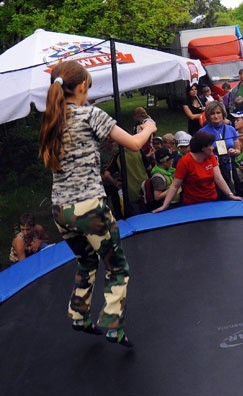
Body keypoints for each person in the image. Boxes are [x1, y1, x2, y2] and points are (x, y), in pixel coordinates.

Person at [39, 60, 157, 347]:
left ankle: (79, 314)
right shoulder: (90, 114)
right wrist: (149, 127)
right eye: (88, 87)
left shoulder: (52, 119)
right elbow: (133, 143)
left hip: (60, 211)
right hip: (89, 207)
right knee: (117, 266)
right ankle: (113, 325)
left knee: (87, 259)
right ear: (81, 87)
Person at [153, 132, 243, 212]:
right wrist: (165, 205)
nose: (213, 147)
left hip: (211, 201)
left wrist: (230, 195)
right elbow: (175, 185)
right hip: (192, 204)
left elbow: (219, 178)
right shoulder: (185, 161)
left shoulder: (211, 157)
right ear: (203, 148)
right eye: (210, 145)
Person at [199, 101, 241, 195]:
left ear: (223, 113)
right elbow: (199, 154)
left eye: (218, 113)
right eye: (212, 113)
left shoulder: (231, 129)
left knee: (232, 193)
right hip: (212, 170)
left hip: (229, 167)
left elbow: (238, 150)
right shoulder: (202, 133)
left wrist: (234, 151)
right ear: (208, 116)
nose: (215, 116)